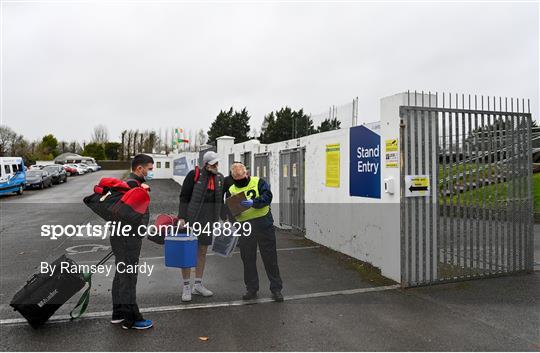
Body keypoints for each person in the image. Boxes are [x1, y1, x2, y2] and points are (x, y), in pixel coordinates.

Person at [227, 162, 283, 302]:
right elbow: (229, 210)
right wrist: (234, 223)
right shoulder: (232, 189)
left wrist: (254, 202)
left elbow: (268, 197)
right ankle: (251, 288)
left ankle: (276, 289)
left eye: (242, 178)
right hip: (245, 228)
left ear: (247, 173)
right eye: (237, 180)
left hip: (263, 224)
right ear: (233, 178)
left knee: (270, 258)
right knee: (248, 259)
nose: (240, 181)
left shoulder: (258, 182)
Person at [110, 153, 154, 330]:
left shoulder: (129, 184)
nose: (151, 172)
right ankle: (132, 319)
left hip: (121, 236)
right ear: (139, 168)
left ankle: (118, 313)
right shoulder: (132, 186)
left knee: (121, 274)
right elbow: (132, 215)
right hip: (128, 238)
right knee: (128, 276)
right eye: (149, 169)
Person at [177, 151, 225, 301]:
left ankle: (197, 285)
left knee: (202, 251)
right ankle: (186, 287)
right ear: (206, 164)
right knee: (188, 253)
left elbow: (220, 200)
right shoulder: (193, 175)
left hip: (208, 221)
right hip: (192, 220)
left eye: (217, 163)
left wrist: (225, 218)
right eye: (214, 164)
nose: (217, 166)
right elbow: (184, 197)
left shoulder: (219, 178)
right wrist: (182, 217)